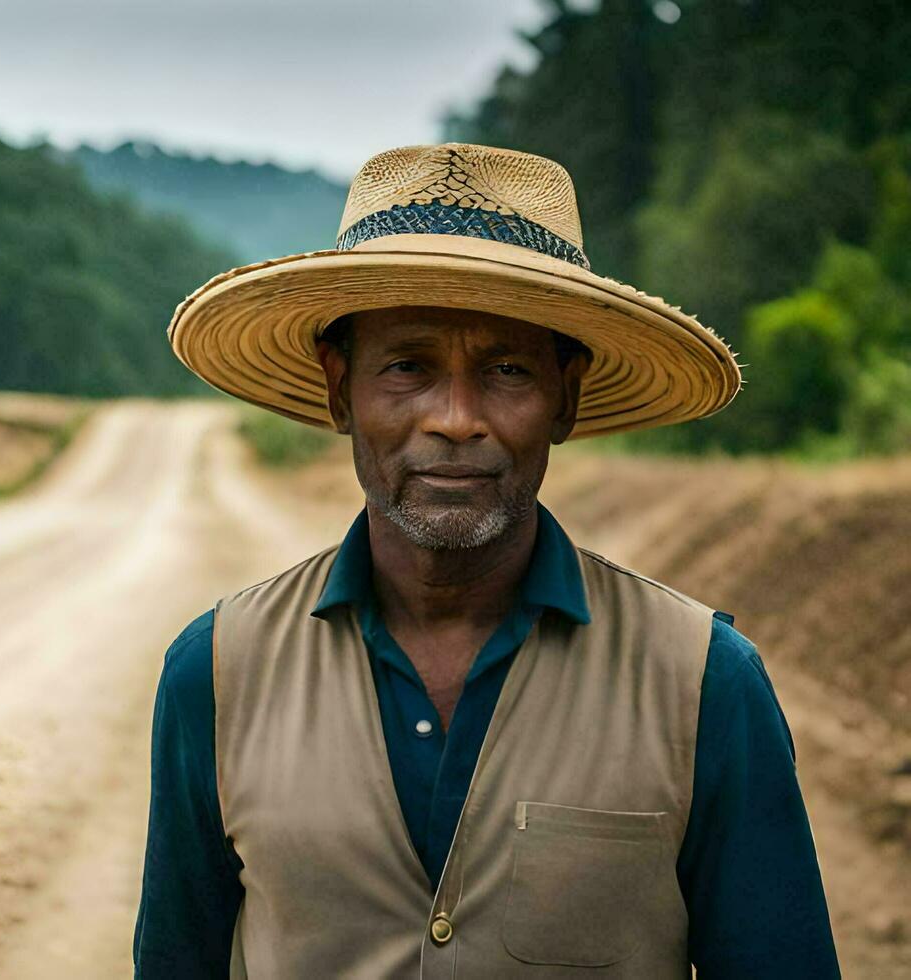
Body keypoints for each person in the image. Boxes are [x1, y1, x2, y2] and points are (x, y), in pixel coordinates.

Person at [134, 143, 839, 977]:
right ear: (338, 387)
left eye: (507, 370)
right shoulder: (216, 673)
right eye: (408, 367)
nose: (457, 418)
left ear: (565, 397)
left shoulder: (702, 684)